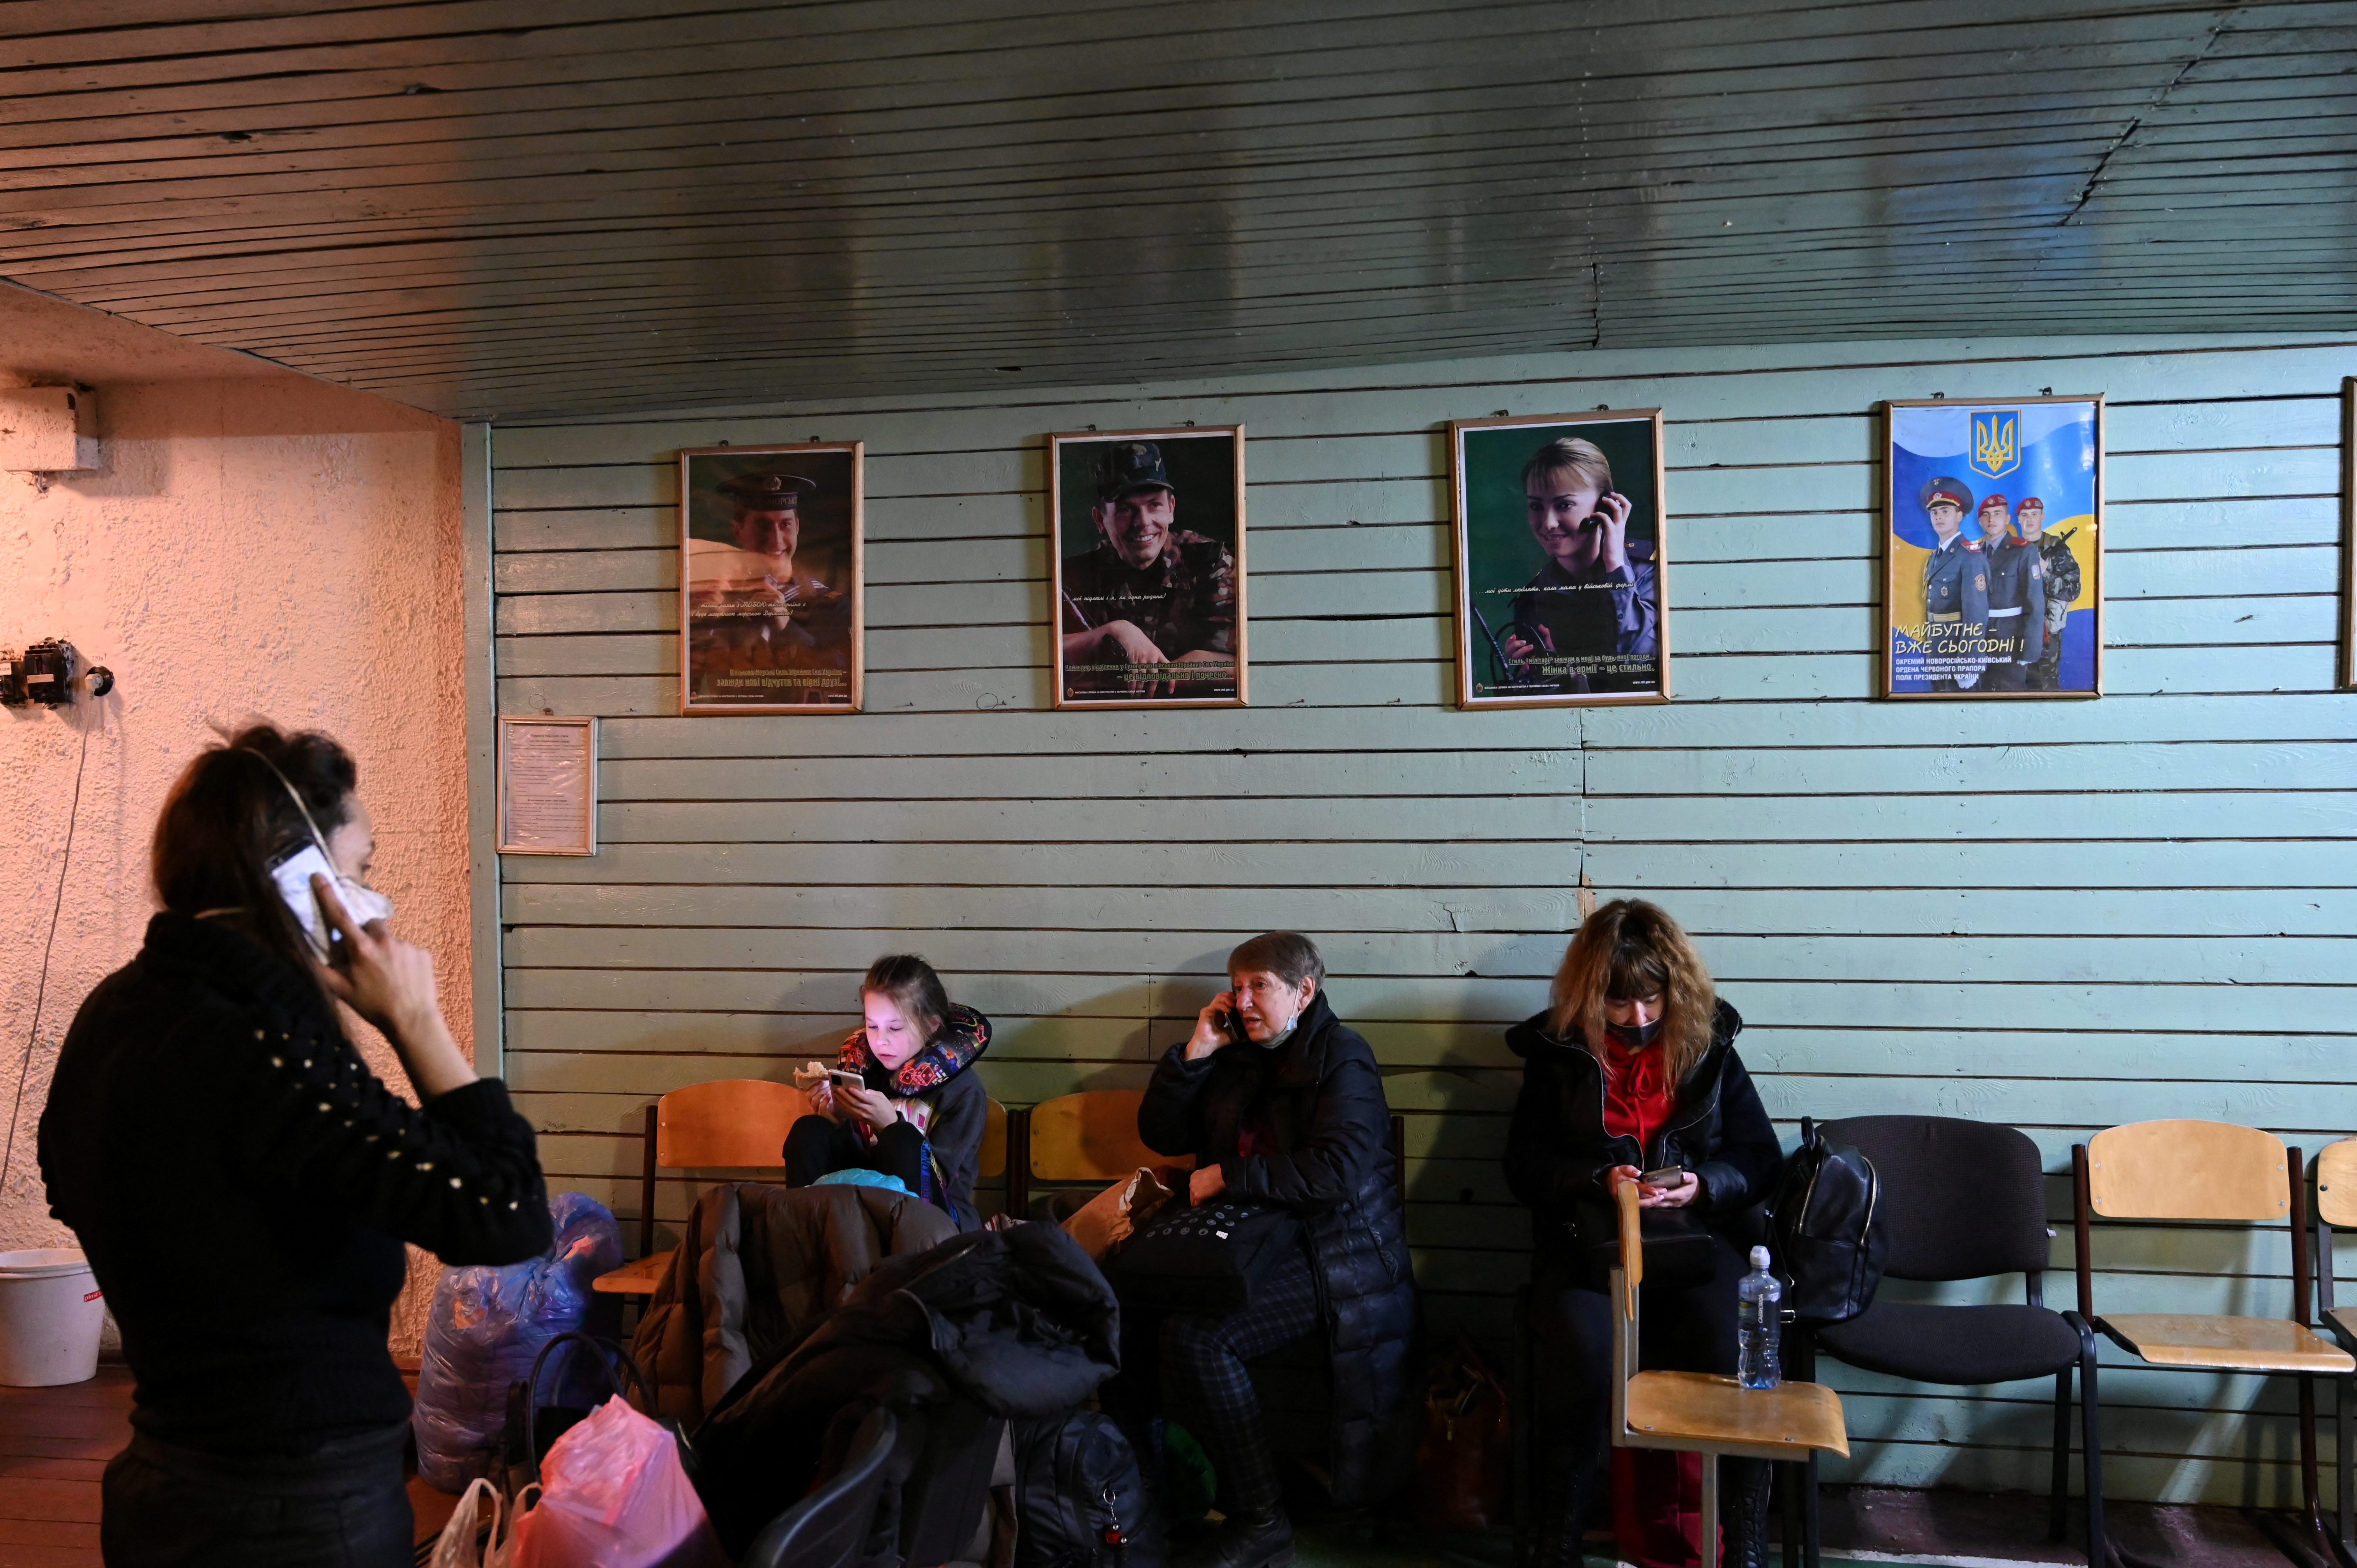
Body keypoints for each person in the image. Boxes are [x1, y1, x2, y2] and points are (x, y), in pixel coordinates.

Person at [39, 726, 552, 1568]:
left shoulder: (118, 1007)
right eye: (361, 869)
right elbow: (506, 1213)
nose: (373, 900)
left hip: (163, 1482)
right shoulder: (265, 1044)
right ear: (301, 877)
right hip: (291, 1508)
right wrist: (417, 1021)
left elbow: (67, 1180)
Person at [1502, 900, 1782, 1568]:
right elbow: (1523, 1167)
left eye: (1651, 999)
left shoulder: (1709, 1046)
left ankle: (1742, 1536)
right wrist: (1596, 1178)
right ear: (1589, 992)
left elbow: (1760, 1157)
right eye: (1618, 1001)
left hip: (1693, 1239)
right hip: (1587, 1240)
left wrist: (1704, 1184)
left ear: (1674, 990)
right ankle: (1559, 1536)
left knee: (1735, 1346)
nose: (1636, 1017)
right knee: (1580, 1353)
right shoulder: (1556, 1053)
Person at [1133, 932, 1416, 1568]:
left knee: (1198, 1338)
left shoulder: (1343, 1055)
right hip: (1242, 1241)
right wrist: (1196, 1053)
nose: (1242, 1000)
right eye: (1236, 986)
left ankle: (1259, 1520)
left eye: (1259, 985)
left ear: (1304, 991)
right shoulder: (1236, 1053)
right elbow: (1161, 1131)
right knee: (1123, 1308)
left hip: (1334, 1253)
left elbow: (1336, 1171)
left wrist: (1229, 1176)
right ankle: (1145, 1498)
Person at [783, 955, 993, 1229]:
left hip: (935, 1220)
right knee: (810, 1131)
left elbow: (940, 1182)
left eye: (895, 1028)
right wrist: (837, 1121)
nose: (881, 1040)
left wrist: (890, 1127)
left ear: (931, 1026)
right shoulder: (862, 1072)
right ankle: (801, 1236)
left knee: (903, 1141)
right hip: (860, 1210)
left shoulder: (963, 1090)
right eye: (872, 1026)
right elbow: (856, 1168)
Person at [1058, 440, 1238, 697]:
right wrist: (1112, 632)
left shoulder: (1210, 562)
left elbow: (1234, 664)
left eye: (1154, 505)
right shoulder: (1076, 575)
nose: (1143, 523)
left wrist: (1153, 678)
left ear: (1171, 509)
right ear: (1101, 520)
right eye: (1126, 509)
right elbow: (1043, 652)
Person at [1498, 436, 1659, 694]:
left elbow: (1645, 671)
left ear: (1606, 505)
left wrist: (1615, 565)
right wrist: (1532, 675)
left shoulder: (1652, 575)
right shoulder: (1531, 599)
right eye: (1536, 506)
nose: (1548, 523)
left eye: (1564, 505)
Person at [685, 466, 854, 706]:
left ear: (797, 527)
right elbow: (688, 693)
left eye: (785, 525)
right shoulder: (712, 601)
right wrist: (700, 628)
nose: (775, 540)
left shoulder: (834, 607)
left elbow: (844, 681)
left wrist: (785, 627)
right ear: (738, 531)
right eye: (762, 526)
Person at [1916, 475, 1989, 692]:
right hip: (1937, 649)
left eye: (1945, 511)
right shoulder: (1934, 557)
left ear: (1959, 516)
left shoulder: (1970, 556)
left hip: (1959, 651)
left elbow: (1976, 615)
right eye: (1934, 513)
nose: (1939, 517)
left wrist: (1968, 664)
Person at [1975, 494, 2046, 692]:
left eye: (1998, 514)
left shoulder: (2024, 551)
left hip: (2011, 639)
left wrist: (2030, 651)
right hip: (1979, 638)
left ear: (2007, 519)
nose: (1991, 520)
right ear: (1980, 521)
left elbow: (2035, 603)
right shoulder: (1974, 554)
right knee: (1979, 693)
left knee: (2010, 693)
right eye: (1986, 515)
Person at [2016, 497, 2083, 690]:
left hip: (2045, 634)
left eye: (2034, 514)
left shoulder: (2057, 549)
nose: (2030, 520)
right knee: (2012, 686)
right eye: (2025, 515)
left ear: (2042, 517)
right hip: (2014, 631)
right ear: (2019, 519)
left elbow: (2073, 590)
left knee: (2046, 687)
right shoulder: (2011, 548)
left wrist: (2045, 573)